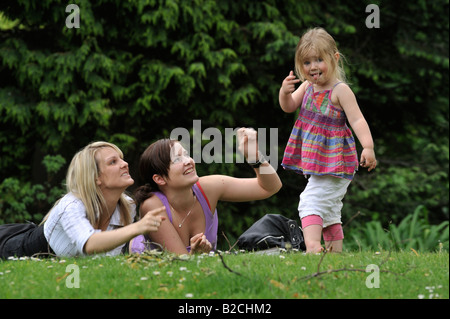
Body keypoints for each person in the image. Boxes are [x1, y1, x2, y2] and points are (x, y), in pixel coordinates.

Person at [279, 27, 377, 253]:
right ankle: (334, 254)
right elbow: (288, 106)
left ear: (334, 59)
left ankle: (313, 247)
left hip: (335, 162)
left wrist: (368, 147)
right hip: (321, 164)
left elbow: (358, 120)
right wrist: (284, 92)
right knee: (330, 210)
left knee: (310, 202)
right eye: (306, 62)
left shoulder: (340, 91)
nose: (313, 67)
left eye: (319, 60)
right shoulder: (307, 87)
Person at [0, 141, 165, 259]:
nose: (125, 164)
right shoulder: (71, 204)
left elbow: (104, 260)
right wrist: (138, 227)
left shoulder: (127, 206)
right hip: (12, 249)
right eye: (113, 162)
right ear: (96, 178)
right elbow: (89, 244)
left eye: (121, 159)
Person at [131, 128, 282, 255]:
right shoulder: (153, 206)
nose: (189, 161)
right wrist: (196, 255)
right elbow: (180, 264)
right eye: (177, 160)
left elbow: (270, 187)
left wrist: (255, 158)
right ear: (160, 179)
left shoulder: (208, 187)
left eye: (186, 155)